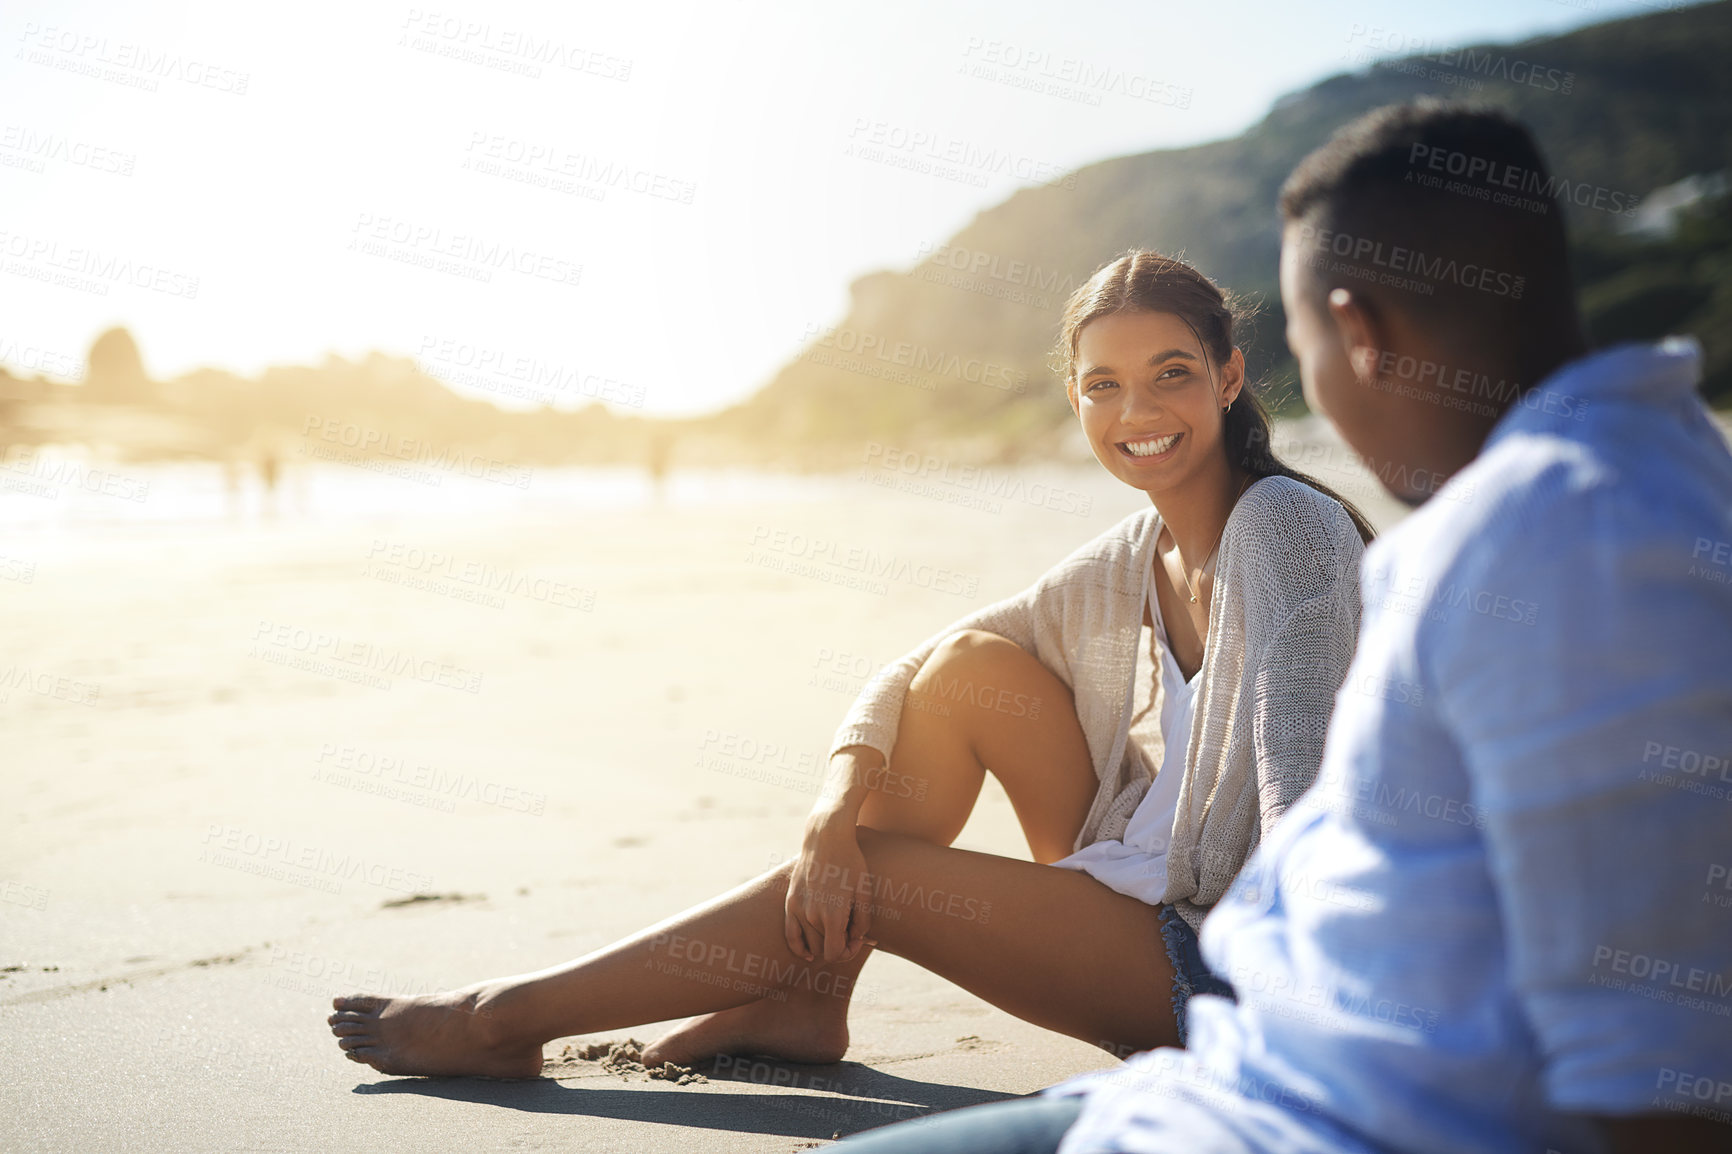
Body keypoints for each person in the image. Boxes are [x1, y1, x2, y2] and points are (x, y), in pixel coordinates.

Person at [830, 101, 1732, 1154]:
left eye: (1300, 350)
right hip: (1246, 1066)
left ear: (1358, 331)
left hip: (1281, 1114)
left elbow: (1657, 1077)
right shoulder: (1645, 476)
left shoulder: (1556, 538)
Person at [325, 251, 1372, 1078]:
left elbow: (1304, 795)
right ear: (1074, 397)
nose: (1137, 413)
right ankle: (810, 992)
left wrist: (1308, 1045)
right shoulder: (1132, 556)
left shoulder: (1283, 528)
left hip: (1221, 962)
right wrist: (832, 810)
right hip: (1137, 884)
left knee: (882, 868)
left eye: (1171, 376)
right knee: (967, 667)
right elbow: (916, 666)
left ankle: (505, 1015)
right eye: (1105, 384)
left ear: (1230, 376)